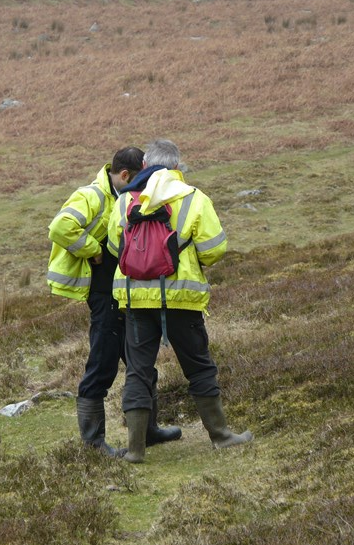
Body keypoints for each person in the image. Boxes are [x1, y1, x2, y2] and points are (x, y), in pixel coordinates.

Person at [107, 139, 253, 463]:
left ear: (145, 164)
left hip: (134, 300)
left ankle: (134, 450)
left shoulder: (125, 201)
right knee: (199, 366)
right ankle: (221, 436)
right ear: (177, 165)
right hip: (182, 298)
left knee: (137, 372)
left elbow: (114, 247)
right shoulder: (195, 198)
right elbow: (215, 249)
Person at [47, 147, 182, 457]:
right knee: (102, 364)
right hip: (104, 295)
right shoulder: (92, 196)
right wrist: (93, 249)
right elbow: (60, 227)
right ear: (124, 175)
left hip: (123, 293)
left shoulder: (120, 195)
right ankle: (94, 444)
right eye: (137, 179)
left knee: (141, 364)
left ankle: (147, 432)